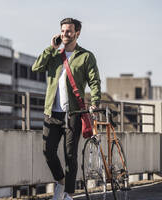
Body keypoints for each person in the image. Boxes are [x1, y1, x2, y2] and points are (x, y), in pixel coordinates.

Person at [32, 18, 101, 200]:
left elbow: (94, 82)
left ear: (77, 33)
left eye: (68, 31)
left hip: (74, 113)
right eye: (62, 31)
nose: (64, 34)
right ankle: (61, 182)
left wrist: (94, 102)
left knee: (70, 156)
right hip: (53, 113)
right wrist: (50, 48)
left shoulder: (86, 56)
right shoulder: (54, 55)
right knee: (47, 150)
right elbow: (36, 67)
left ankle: (69, 195)